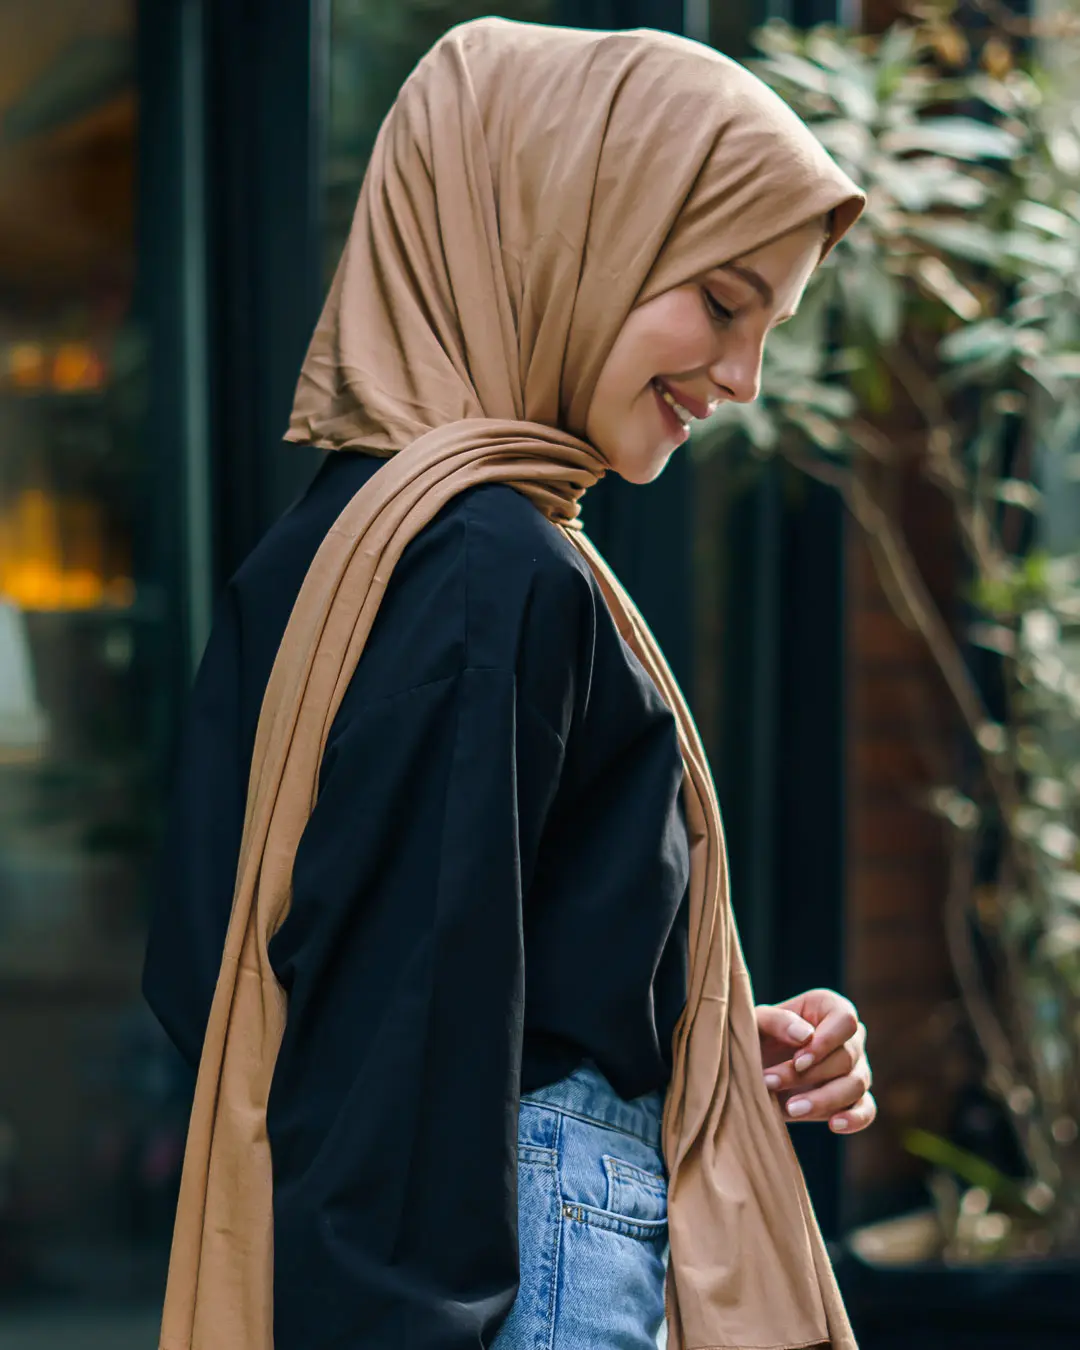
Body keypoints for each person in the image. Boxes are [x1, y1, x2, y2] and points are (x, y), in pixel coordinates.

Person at [143, 18, 875, 1350]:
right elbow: (403, 1038)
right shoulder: (488, 563)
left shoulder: (344, 541)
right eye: (721, 300)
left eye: (767, 326)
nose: (741, 377)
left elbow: (250, 961)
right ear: (560, 223)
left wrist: (675, 1017)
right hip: (523, 1270)